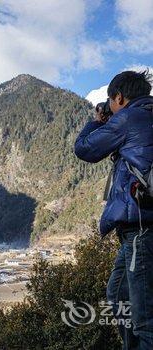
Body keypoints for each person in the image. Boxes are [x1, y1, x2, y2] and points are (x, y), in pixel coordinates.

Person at [74, 69, 153, 349]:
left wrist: (97, 121)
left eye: (112, 100)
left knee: (144, 319)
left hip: (142, 228)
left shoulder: (130, 118)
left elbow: (84, 149)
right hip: (136, 231)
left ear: (119, 97)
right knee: (119, 297)